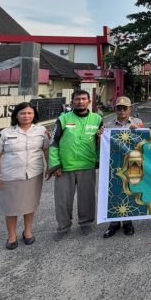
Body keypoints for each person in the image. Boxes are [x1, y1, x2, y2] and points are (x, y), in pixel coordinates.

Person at [0, 102, 49, 249]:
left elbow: (46, 150)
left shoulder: (41, 131)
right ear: (16, 115)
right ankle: (11, 235)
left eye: (29, 113)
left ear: (34, 115)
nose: (26, 116)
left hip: (33, 173)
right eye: (22, 113)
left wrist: (50, 167)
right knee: (10, 207)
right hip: (11, 175)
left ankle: (27, 231)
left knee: (30, 204)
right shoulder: (5, 133)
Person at [47, 89, 103, 241]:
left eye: (84, 99)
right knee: (62, 199)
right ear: (72, 102)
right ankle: (63, 226)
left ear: (89, 101)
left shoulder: (97, 119)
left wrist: (99, 161)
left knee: (87, 198)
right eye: (77, 99)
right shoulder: (63, 119)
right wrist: (55, 165)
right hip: (65, 167)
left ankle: (86, 223)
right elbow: (53, 142)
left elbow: (101, 142)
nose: (80, 101)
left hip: (87, 165)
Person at [101, 96, 144, 238]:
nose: (122, 110)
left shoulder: (137, 123)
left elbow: (143, 142)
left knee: (128, 192)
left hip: (131, 163)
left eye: (125, 108)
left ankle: (127, 222)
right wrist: (99, 136)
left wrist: (137, 131)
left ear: (130, 109)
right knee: (113, 192)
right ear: (115, 109)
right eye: (119, 108)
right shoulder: (108, 125)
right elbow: (103, 143)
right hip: (114, 163)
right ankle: (114, 223)